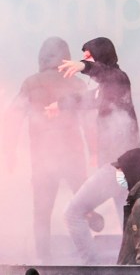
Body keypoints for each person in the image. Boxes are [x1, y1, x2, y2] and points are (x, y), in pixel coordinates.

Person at [56, 37, 140, 265]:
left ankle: (92, 268)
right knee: (129, 228)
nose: (84, 60)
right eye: (83, 58)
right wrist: (59, 105)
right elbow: (84, 99)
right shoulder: (105, 89)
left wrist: (84, 67)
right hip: (121, 168)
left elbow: (106, 73)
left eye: (89, 56)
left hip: (118, 168)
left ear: (101, 57)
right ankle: (131, 268)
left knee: (73, 213)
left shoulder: (118, 79)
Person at [6, 37, 91, 261]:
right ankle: (90, 257)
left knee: (42, 214)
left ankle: (44, 262)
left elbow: (12, 118)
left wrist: (9, 152)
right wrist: (95, 151)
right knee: (82, 205)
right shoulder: (77, 83)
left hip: (43, 159)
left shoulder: (31, 83)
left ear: (42, 58)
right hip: (73, 156)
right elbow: (91, 121)